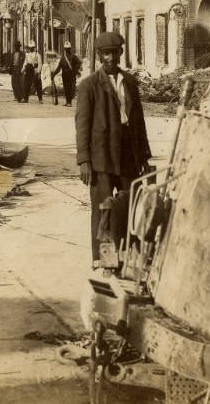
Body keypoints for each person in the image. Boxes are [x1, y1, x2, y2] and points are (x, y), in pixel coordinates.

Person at [75, 31, 152, 268]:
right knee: (104, 209)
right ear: (99, 56)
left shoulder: (129, 81)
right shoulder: (88, 86)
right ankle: (103, 260)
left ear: (120, 53)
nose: (111, 58)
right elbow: (82, 124)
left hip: (129, 154)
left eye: (115, 53)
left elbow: (138, 122)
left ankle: (130, 257)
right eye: (106, 54)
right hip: (102, 156)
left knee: (133, 205)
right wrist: (84, 161)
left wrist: (145, 157)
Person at [52, 41, 83, 107]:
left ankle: (69, 102)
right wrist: (54, 74)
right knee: (66, 88)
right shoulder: (63, 58)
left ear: (70, 48)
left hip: (71, 74)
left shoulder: (73, 56)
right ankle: (67, 101)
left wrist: (75, 70)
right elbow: (59, 67)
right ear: (64, 49)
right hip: (65, 74)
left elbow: (79, 63)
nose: (67, 50)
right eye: (66, 49)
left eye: (68, 48)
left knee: (70, 88)